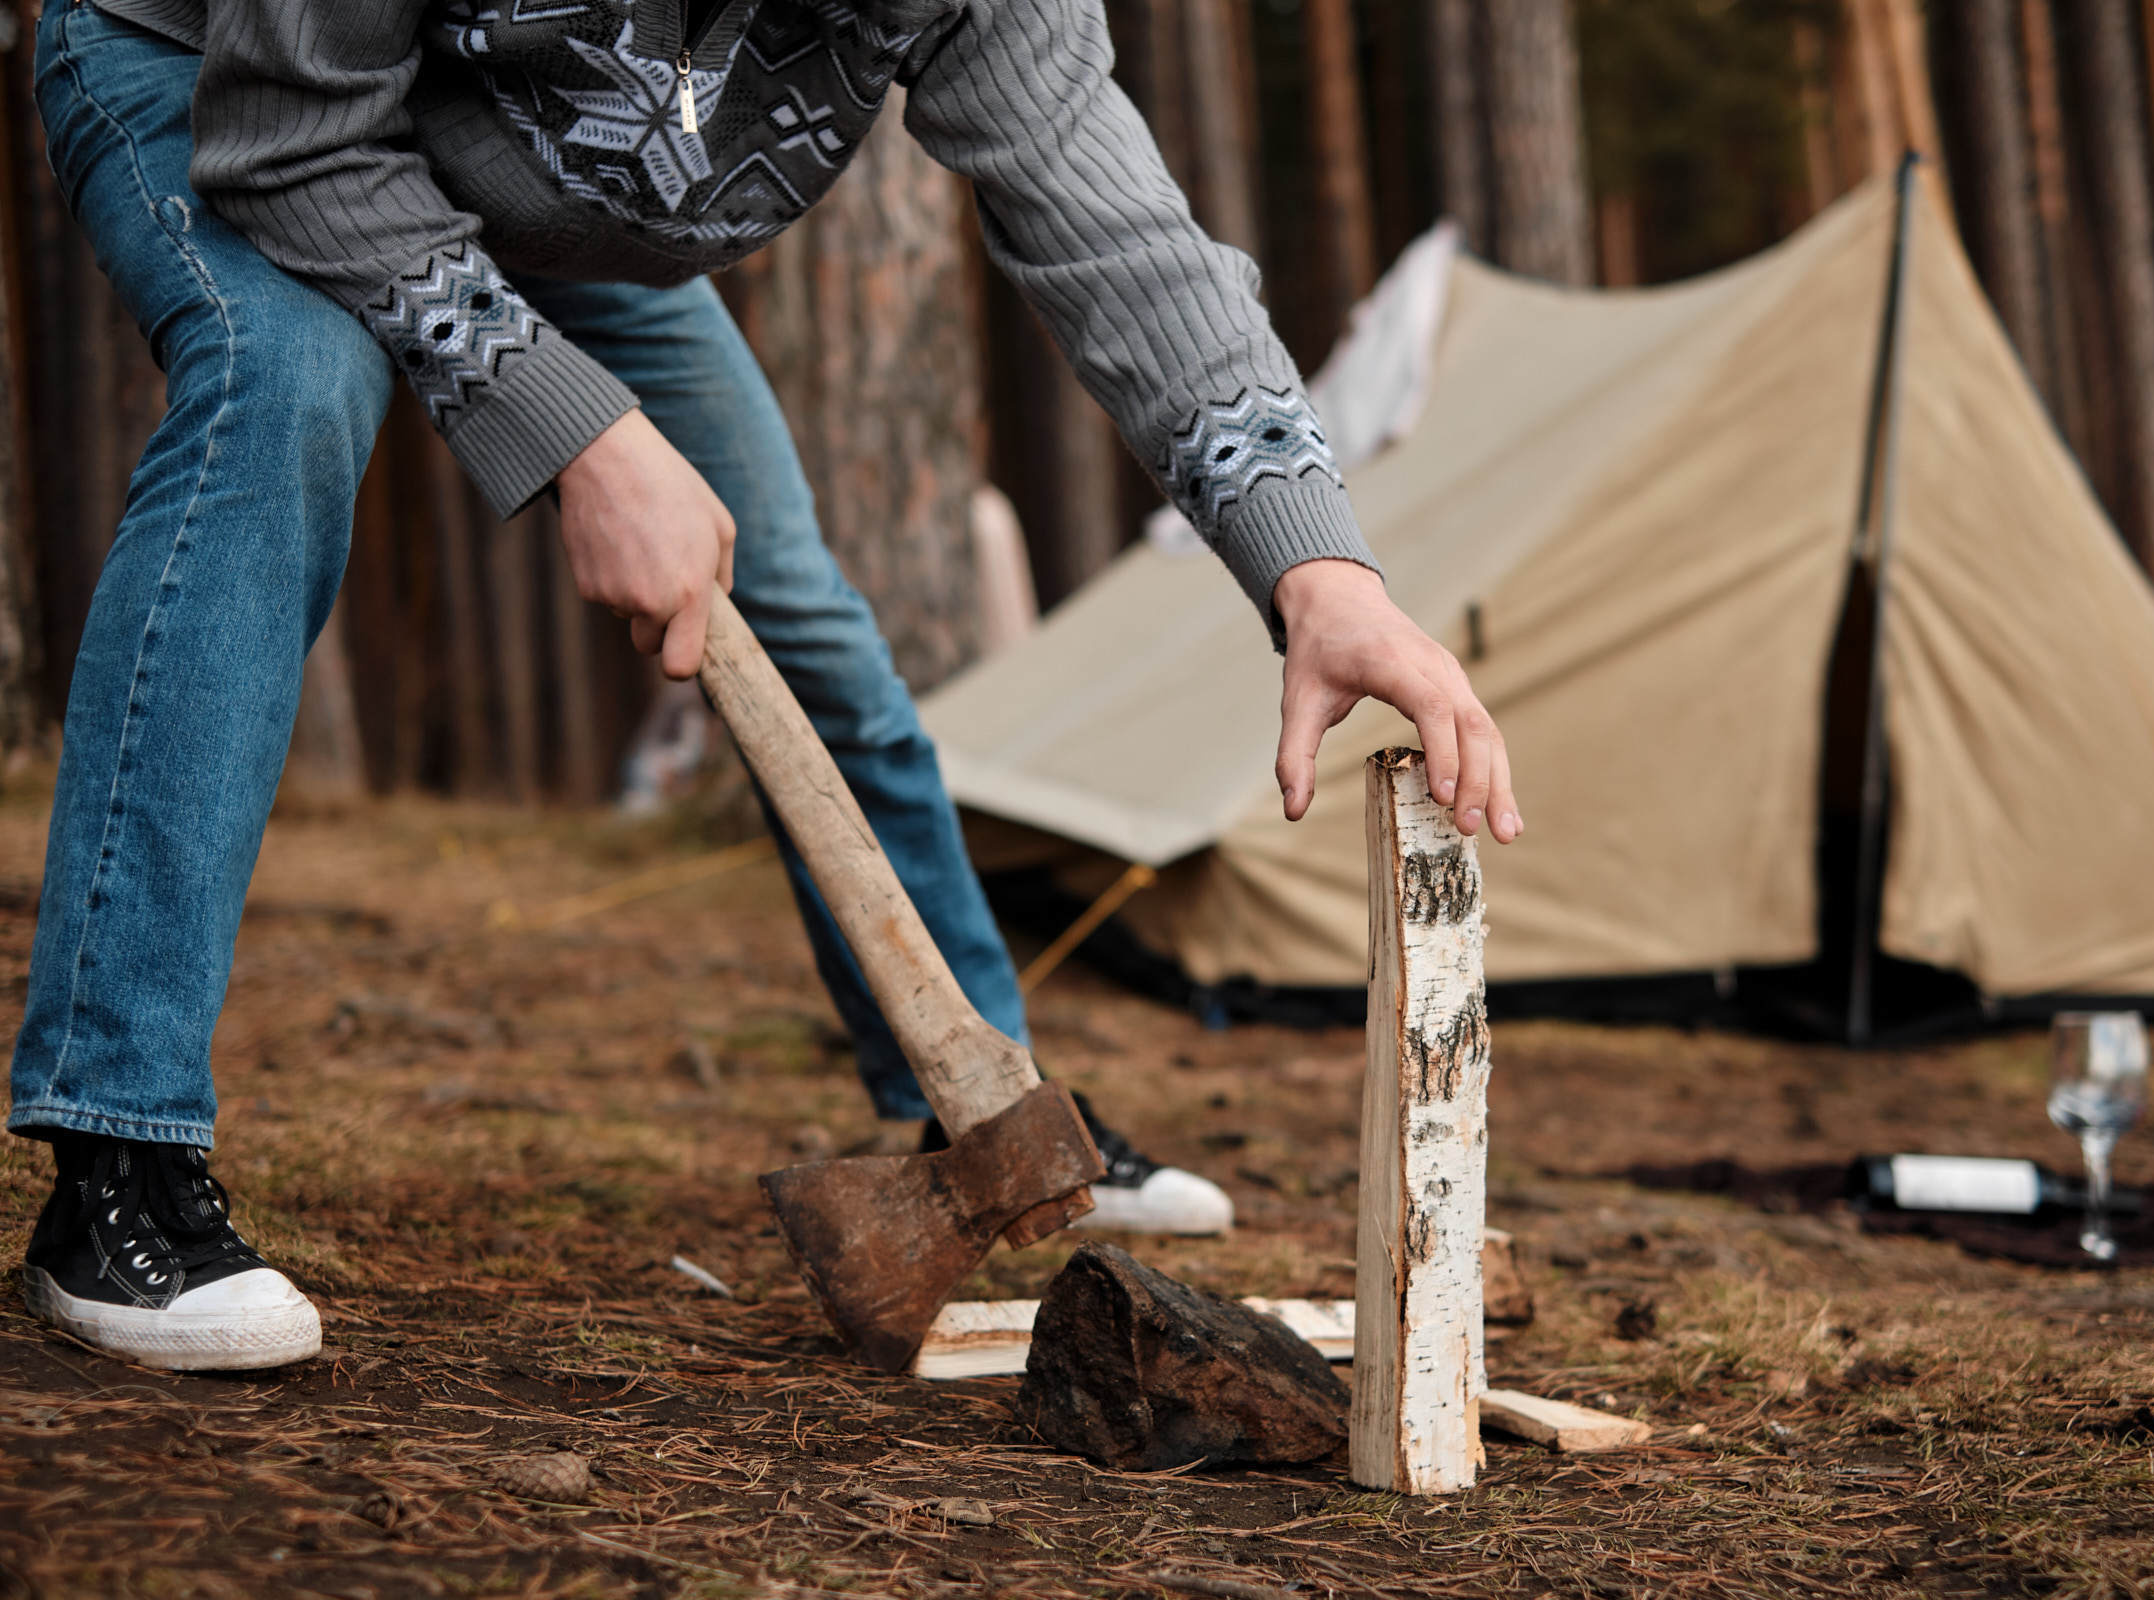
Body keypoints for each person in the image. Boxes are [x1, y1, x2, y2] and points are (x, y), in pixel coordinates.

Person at [9, 0, 1521, 1372]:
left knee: (784, 594)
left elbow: (1120, 234)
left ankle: (982, 1101)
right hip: (227, 84)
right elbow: (292, 141)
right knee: (284, 390)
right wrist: (578, 434)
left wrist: (1317, 567)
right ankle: (115, 1152)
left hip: (542, 201)